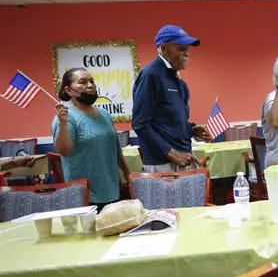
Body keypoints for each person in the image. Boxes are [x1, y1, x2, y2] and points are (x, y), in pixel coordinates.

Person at [132, 25, 211, 173]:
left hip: (184, 157)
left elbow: (168, 118)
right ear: (163, 48)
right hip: (164, 163)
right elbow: (140, 123)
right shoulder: (151, 75)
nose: (187, 54)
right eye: (181, 49)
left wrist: (191, 129)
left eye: (187, 49)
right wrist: (170, 152)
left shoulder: (176, 78)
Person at [52, 68, 130, 212]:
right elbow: (64, 151)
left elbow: (115, 149)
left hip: (112, 189)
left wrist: (127, 174)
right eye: (82, 82)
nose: (90, 85)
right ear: (69, 91)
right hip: (84, 194)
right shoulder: (67, 117)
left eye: (91, 81)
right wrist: (62, 124)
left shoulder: (104, 114)